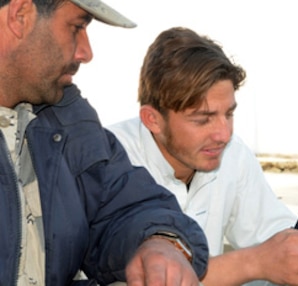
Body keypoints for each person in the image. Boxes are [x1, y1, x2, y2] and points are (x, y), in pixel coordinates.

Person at [108, 27, 298, 286]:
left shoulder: (231, 153)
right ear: (152, 120)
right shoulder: (104, 160)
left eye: (228, 113)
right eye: (203, 119)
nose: (223, 133)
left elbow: (272, 236)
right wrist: (255, 262)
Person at [0, 1, 209, 286]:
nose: (86, 53)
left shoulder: (65, 118)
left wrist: (160, 243)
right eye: (77, 27)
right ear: (20, 16)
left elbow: (120, 205)